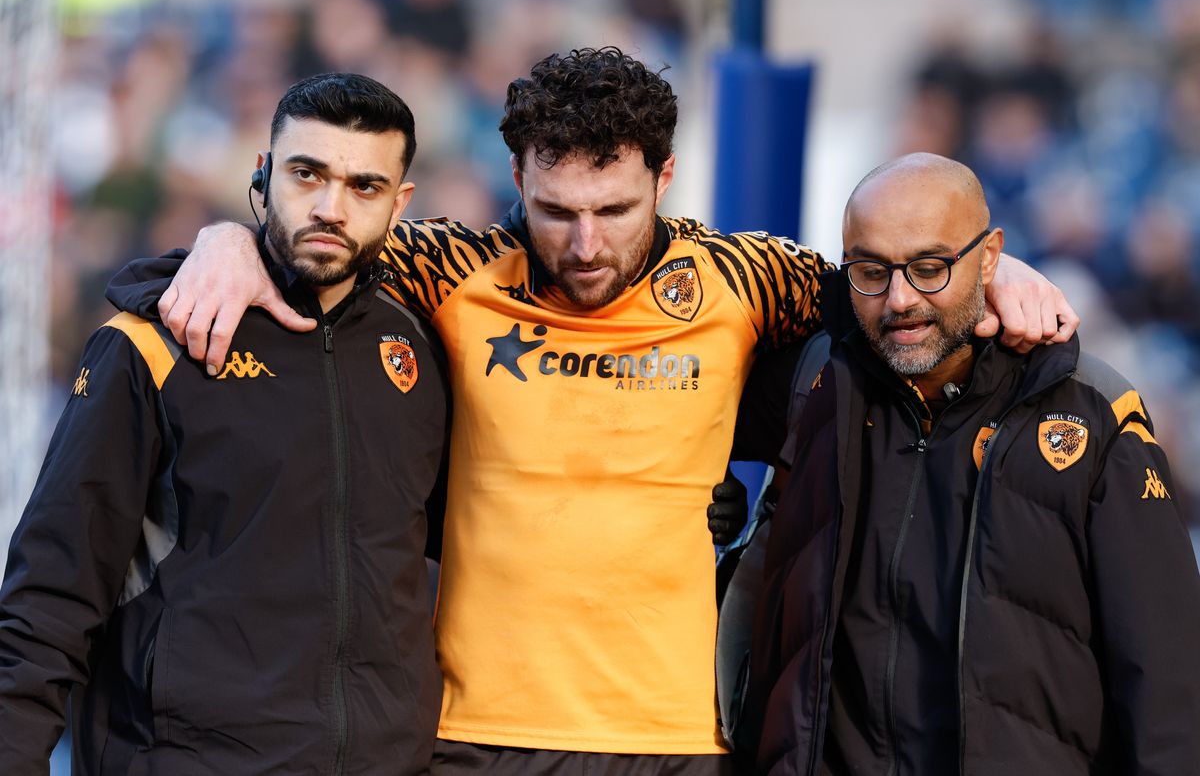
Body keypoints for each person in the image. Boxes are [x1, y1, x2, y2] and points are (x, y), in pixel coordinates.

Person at [110, 49, 1077, 774]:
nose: (584, 245)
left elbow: (892, 288)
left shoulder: (741, 276)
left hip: (676, 738)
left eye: (614, 211)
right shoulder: (452, 267)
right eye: (556, 210)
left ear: (664, 178)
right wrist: (227, 242)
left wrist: (999, 276)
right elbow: (307, 248)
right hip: (473, 737)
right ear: (517, 182)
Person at [0, 73, 451, 774]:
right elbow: (51, 594)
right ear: (263, 175)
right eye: (307, 174)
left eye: (364, 186)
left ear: (401, 203)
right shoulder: (151, 345)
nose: (330, 208)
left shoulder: (426, 347)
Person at [742, 152, 1200, 775]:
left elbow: (1168, 686)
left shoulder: (1094, 414)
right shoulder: (815, 383)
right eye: (871, 271)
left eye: (930, 268)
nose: (900, 298)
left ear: (989, 258)